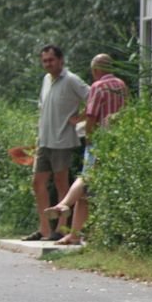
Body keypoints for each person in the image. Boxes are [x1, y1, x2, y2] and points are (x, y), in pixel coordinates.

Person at [45, 53, 128, 245]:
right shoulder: (121, 86)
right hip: (119, 140)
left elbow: (92, 116)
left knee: (85, 179)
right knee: (90, 191)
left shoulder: (98, 87)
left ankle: (63, 205)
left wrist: (89, 139)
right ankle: (74, 234)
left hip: (100, 141)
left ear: (95, 70)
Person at [22, 44, 90, 242]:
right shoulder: (46, 80)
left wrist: (82, 117)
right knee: (38, 182)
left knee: (61, 182)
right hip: (44, 140)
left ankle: (61, 228)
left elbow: (93, 97)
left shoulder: (71, 80)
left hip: (62, 140)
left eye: (51, 60)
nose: (48, 64)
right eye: (44, 61)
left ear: (61, 60)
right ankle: (44, 228)